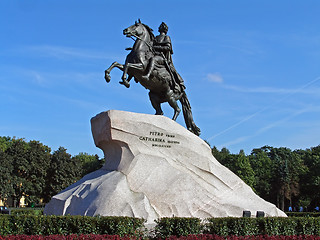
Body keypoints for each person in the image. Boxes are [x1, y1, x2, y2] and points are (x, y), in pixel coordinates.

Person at [142, 22, 185, 93]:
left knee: (153, 59)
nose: (159, 27)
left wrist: (156, 47)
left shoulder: (166, 37)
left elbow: (168, 48)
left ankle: (147, 75)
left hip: (161, 57)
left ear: (163, 29)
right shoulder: (156, 37)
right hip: (153, 54)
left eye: (160, 27)